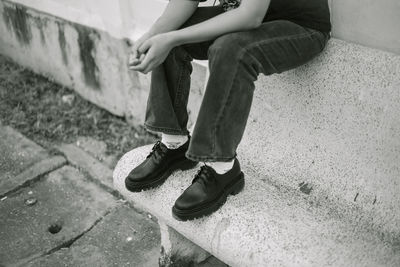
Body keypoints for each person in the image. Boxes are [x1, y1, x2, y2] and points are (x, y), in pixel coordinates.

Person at [125, 0, 331, 221]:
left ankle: (222, 168)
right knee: (170, 31)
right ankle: (174, 144)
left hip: (300, 27)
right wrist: (151, 38)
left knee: (230, 49)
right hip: (241, 17)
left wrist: (171, 39)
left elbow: (250, 16)